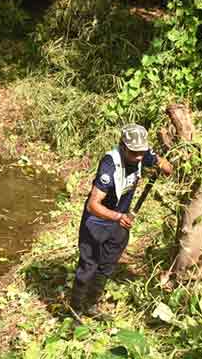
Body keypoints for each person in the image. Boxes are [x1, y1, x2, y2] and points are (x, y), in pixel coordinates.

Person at [71, 124, 173, 313]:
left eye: (141, 152)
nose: (139, 157)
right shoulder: (110, 165)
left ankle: (92, 304)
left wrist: (163, 164)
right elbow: (92, 205)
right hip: (97, 222)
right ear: (123, 146)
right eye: (134, 153)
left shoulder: (142, 153)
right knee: (88, 265)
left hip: (120, 224)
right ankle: (75, 307)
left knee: (107, 265)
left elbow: (164, 165)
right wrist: (118, 216)